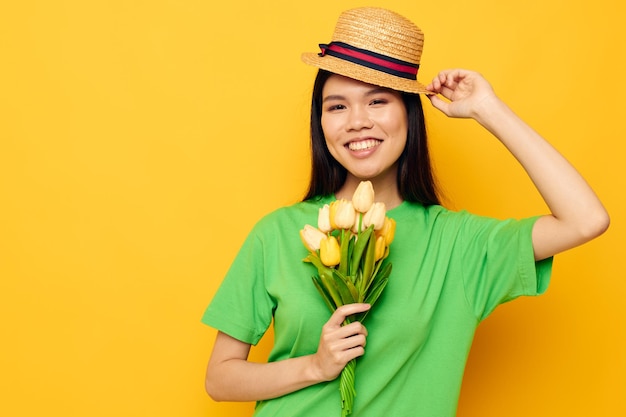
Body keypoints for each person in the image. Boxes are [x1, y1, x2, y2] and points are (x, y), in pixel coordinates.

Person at [201, 7, 609, 417]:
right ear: (320, 122)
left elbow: (585, 220)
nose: (357, 122)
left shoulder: (457, 245)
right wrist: (315, 366)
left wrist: (488, 109)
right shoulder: (278, 232)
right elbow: (219, 378)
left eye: (377, 101)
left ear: (409, 114)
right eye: (337, 107)